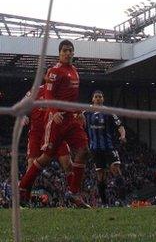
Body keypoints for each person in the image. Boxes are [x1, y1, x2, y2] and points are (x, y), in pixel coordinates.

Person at [19, 40, 91, 208]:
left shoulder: (74, 72)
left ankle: (74, 193)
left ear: (73, 53)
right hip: (47, 127)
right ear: (59, 53)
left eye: (70, 50)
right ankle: (23, 190)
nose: (67, 53)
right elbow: (47, 97)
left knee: (81, 152)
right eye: (64, 50)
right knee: (42, 160)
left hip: (69, 120)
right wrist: (52, 112)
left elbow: (72, 98)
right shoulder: (47, 79)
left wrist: (78, 112)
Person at [22, 85, 74, 202]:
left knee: (68, 164)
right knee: (31, 166)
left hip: (55, 133)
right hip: (37, 134)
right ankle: (25, 199)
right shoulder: (35, 90)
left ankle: (74, 196)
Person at [84, 90, 126, 207]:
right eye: (96, 97)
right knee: (101, 176)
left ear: (103, 99)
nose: (98, 99)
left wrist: (122, 136)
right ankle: (104, 203)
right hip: (95, 149)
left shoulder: (109, 112)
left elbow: (120, 126)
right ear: (92, 99)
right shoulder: (86, 112)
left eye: (100, 97)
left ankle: (123, 200)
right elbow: (77, 120)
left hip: (109, 147)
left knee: (116, 169)